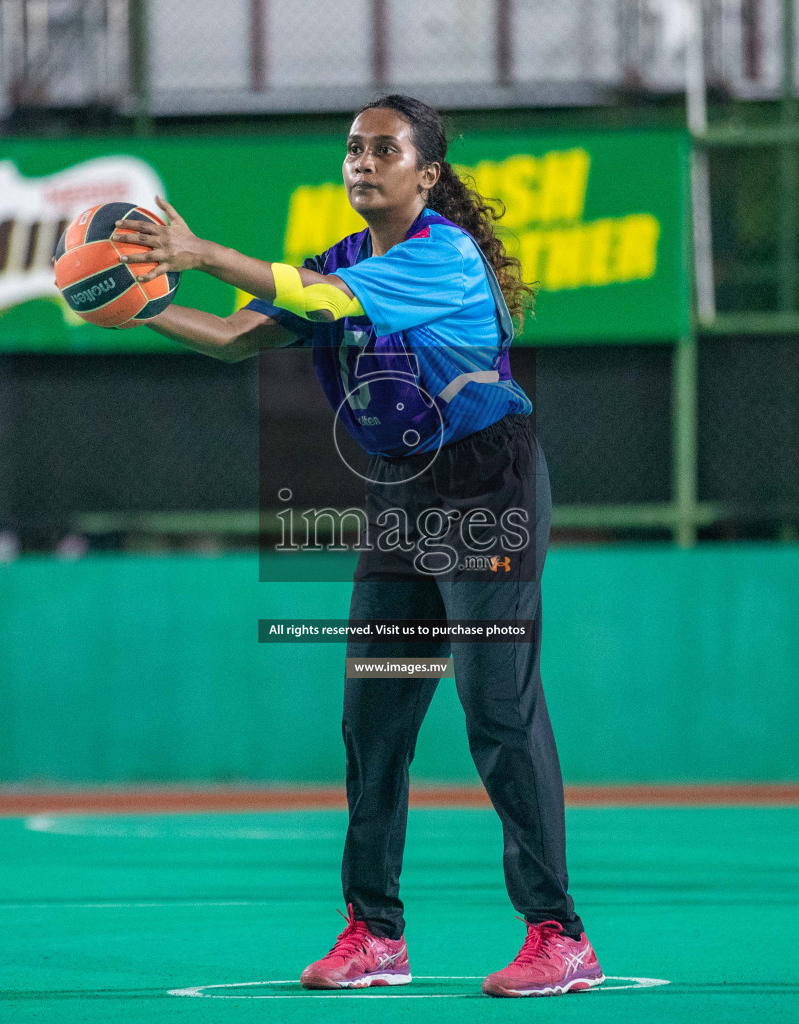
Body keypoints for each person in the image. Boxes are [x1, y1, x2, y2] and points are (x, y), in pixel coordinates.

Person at [107, 94, 602, 997]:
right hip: (403, 492)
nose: (362, 161)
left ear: (428, 173)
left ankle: (559, 933)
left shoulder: (441, 258)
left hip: (487, 484)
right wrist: (127, 301)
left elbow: (318, 300)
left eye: (383, 148)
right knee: (374, 720)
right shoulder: (341, 259)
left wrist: (203, 252)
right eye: (351, 148)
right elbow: (228, 338)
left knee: (496, 707)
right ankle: (376, 934)